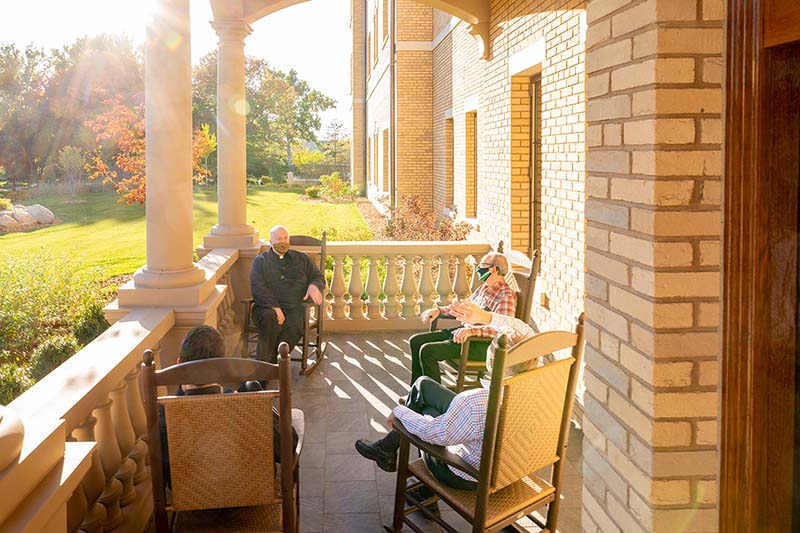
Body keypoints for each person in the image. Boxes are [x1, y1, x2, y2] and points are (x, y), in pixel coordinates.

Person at [355, 312, 537, 516]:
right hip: (512, 469)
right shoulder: (540, 395)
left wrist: (400, 413)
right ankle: (386, 448)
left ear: (492, 360)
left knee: (423, 413)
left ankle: (421, 489)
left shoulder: (477, 402)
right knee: (423, 386)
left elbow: (434, 434)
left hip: (467, 475)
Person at [160, 325, 296, 485]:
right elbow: (287, 448)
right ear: (221, 367)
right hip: (251, 495)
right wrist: (253, 407)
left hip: (196, 500)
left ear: (179, 363)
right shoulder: (245, 404)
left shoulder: (166, 416)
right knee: (250, 388)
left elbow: (168, 477)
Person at [409, 251, 517, 384]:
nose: (478, 268)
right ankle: (416, 392)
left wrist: (472, 331)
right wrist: (439, 311)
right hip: (463, 335)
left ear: (493, 269)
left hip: (480, 344)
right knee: (416, 340)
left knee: (428, 351)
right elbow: (462, 308)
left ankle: (432, 398)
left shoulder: (505, 296)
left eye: (482, 265)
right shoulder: (483, 289)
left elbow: (504, 330)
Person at [250, 225, 326, 362]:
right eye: (279, 239)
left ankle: (269, 363)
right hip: (265, 308)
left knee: (295, 325)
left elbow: (318, 277)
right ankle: (265, 369)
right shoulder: (260, 261)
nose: (283, 241)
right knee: (269, 318)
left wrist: (314, 286)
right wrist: (275, 307)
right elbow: (257, 287)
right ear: (270, 242)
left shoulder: (302, 258)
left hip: (295, 309)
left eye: (285, 238)